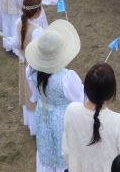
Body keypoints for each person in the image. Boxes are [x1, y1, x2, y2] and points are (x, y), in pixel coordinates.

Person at [26, 20, 85, 172]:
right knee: (62, 149)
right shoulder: (67, 77)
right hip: (62, 118)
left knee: (46, 147)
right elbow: (82, 99)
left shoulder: (31, 70)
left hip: (43, 114)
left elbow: (36, 93)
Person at [15, 0, 44, 136]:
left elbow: (18, 45)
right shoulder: (36, 31)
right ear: (37, 11)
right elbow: (40, 53)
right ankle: (37, 128)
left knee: (28, 94)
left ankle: (31, 124)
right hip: (34, 67)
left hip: (24, 62)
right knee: (34, 95)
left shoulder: (19, 22)